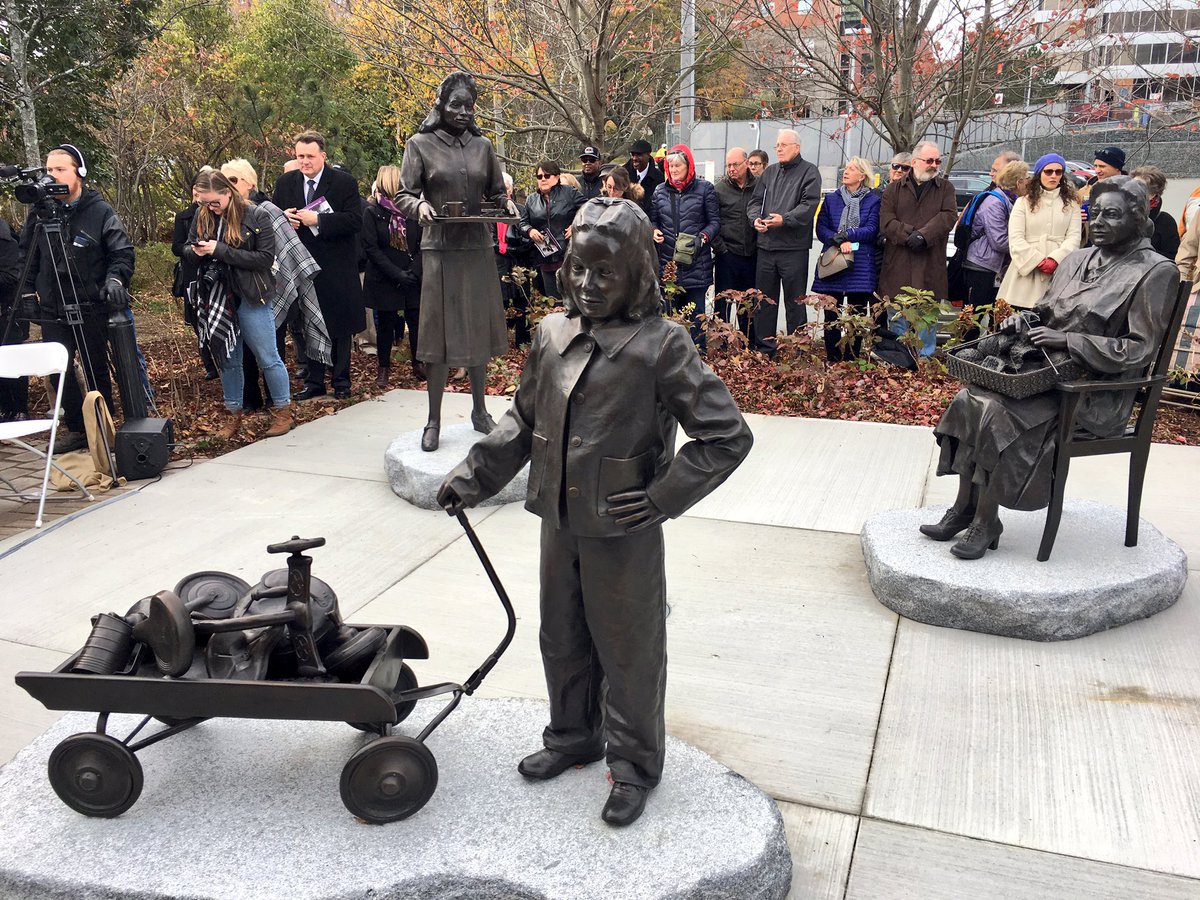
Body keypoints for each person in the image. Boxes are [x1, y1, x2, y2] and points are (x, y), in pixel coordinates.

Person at [436, 197, 753, 827]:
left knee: (629, 646)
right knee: (561, 633)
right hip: (559, 519)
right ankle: (572, 735)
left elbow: (726, 435)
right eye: (580, 269)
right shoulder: (552, 335)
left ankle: (634, 764)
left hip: (624, 528)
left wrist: (663, 495)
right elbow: (524, 419)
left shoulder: (662, 346)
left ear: (637, 274)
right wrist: (471, 477)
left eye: (605, 273)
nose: (588, 284)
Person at [923, 177, 1179, 559]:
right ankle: (964, 508)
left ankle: (987, 519)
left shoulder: (1156, 271)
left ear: (1139, 218)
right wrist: (1021, 322)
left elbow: (1140, 350)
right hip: (1040, 374)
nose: (1101, 223)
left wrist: (1070, 341)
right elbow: (1045, 310)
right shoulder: (1077, 259)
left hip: (1095, 391)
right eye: (1096, 214)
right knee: (968, 398)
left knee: (996, 411)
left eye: (1113, 215)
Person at [396, 71, 515, 452]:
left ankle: (480, 412)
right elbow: (403, 195)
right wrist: (420, 206)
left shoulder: (483, 146)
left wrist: (507, 204)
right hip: (440, 251)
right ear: (440, 106)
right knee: (438, 336)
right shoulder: (420, 144)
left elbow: (497, 192)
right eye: (455, 105)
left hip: (477, 248)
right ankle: (434, 420)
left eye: (469, 106)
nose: (463, 112)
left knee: (478, 329)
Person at [19, 144, 135, 453]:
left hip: (91, 304)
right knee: (59, 370)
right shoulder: (39, 214)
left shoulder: (99, 211)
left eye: (60, 170)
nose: (52, 176)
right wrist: (28, 291)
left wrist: (114, 280)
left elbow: (121, 253)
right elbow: (26, 257)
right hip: (53, 307)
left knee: (96, 367)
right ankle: (76, 427)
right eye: (49, 170)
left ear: (78, 173)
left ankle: (103, 426)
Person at [184, 170, 293, 439]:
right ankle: (233, 413)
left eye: (213, 202)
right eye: (203, 203)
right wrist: (196, 250)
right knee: (229, 360)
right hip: (219, 296)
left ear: (227, 193)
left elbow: (265, 259)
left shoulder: (257, 215)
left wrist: (219, 250)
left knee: (268, 357)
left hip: (252, 294)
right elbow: (185, 248)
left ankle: (283, 411)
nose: (209, 207)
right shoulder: (203, 216)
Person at [223, 158, 332, 405]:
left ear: (249, 183)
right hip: (238, 291)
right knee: (243, 351)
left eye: (233, 180)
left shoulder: (268, 210)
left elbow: (283, 253)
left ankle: (277, 402)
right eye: (223, 181)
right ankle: (251, 400)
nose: (227, 186)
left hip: (270, 289)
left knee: (271, 350)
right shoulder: (225, 213)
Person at [273, 130, 364, 400]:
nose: (305, 161)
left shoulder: (343, 182)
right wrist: (284, 217)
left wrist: (319, 221)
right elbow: (275, 217)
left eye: (310, 156)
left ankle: (341, 380)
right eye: (300, 156)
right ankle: (314, 382)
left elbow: (354, 221)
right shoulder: (286, 182)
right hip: (302, 264)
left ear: (323, 156)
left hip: (336, 265)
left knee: (338, 324)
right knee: (309, 322)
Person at [879, 140, 957, 358]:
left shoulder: (945, 189)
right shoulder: (893, 189)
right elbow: (886, 222)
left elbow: (949, 216)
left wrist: (924, 235)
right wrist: (909, 234)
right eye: (929, 160)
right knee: (898, 318)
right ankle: (901, 360)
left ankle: (925, 362)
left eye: (937, 161)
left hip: (930, 263)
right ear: (914, 162)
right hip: (898, 264)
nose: (934, 164)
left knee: (926, 320)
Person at [747, 130, 821, 354]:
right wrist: (755, 220)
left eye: (783, 145)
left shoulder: (810, 172)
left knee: (795, 303)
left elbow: (808, 206)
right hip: (766, 247)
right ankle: (765, 348)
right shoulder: (769, 172)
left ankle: (798, 350)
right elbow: (755, 201)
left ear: (796, 147)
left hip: (793, 249)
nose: (778, 148)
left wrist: (785, 219)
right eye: (777, 145)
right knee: (765, 302)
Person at [811, 157, 881, 361]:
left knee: (856, 315)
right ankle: (832, 358)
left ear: (862, 176)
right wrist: (836, 239)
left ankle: (851, 358)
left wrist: (849, 235)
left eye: (852, 169)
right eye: (846, 168)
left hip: (859, 265)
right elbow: (821, 226)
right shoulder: (832, 198)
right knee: (830, 315)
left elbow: (872, 229)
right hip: (833, 262)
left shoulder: (873, 199)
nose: (846, 171)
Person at [650, 145, 720, 348]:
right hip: (668, 266)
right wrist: (654, 231)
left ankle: (698, 359)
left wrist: (703, 238)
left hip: (696, 265)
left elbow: (715, 222)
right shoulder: (659, 191)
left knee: (696, 322)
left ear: (688, 165)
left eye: (677, 165)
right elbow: (653, 221)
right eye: (670, 166)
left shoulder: (705, 189)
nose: (673, 170)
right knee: (670, 321)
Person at [363, 165, 423, 388]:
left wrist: (413, 271)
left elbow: (421, 244)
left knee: (415, 321)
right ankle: (384, 368)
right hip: (385, 277)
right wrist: (396, 273)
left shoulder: (412, 211)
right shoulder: (373, 212)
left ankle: (418, 363)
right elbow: (371, 248)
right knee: (386, 325)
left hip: (412, 275)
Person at [997, 153, 1082, 311]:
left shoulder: (1072, 204)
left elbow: (1074, 238)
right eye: (1048, 171)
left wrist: (1056, 259)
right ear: (1039, 174)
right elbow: (1015, 239)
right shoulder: (1023, 203)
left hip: (1059, 274)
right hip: (1024, 275)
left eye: (1058, 172)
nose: (1053, 176)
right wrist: (1038, 261)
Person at [961, 160, 1028, 311]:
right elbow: (998, 241)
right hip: (981, 266)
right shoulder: (995, 203)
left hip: (993, 266)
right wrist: (1025, 247)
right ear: (1018, 182)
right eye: (1026, 179)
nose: (1028, 184)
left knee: (996, 316)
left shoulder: (1010, 200)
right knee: (973, 316)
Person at [172, 170, 219, 381]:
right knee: (197, 316)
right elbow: (176, 246)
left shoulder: (219, 211)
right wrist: (192, 250)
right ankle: (209, 362)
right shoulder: (184, 216)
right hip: (193, 270)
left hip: (217, 269)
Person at [519, 160, 585, 301]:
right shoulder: (531, 200)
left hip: (569, 255)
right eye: (539, 176)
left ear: (557, 176)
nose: (543, 179)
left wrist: (576, 225)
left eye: (547, 176)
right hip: (545, 257)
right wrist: (530, 231)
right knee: (553, 302)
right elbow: (522, 222)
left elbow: (589, 209)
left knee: (573, 300)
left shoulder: (569, 193)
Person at [711, 147, 757, 335]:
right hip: (727, 255)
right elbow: (712, 222)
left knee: (748, 304)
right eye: (728, 165)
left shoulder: (760, 186)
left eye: (735, 164)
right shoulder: (719, 190)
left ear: (746, 164)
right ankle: (721, 342)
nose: (731, 168)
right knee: (723, 304)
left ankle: (749, 343)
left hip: (753, 255)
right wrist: (722, 250)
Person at [0, 214, 26, 422]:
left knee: (12, 360)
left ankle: (19, 410)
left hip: (8, 312)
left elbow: (11, 277)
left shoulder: (4, 236)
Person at [1130, 166, 1180, 261]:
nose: (1131, 192)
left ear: (1152, 194)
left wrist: (1141, 252)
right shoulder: (1118, 216)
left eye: (1138, 189)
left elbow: (1172, 258)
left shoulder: (1165, 222)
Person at [623, 139, 663, 215]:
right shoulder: (623, 174)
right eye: (633, 155)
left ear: (648, 155)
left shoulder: (658, 178)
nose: (634, 158)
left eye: (639, 155)